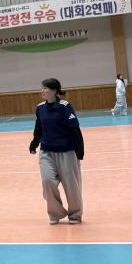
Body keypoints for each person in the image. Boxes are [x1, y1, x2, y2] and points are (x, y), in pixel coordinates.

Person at [29, 79, 84, 224]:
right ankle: (55, 212)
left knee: (71, 185)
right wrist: (34, 143)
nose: (42, 91)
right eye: (41, 88)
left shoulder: (65, 107)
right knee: (47, 181)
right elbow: (39, 128)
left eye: (45, 88)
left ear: (54, 90)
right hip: (47, 152)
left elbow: (75, 129)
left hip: (67, 152)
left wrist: (80, 149)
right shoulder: (40, 108)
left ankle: (75, 214)